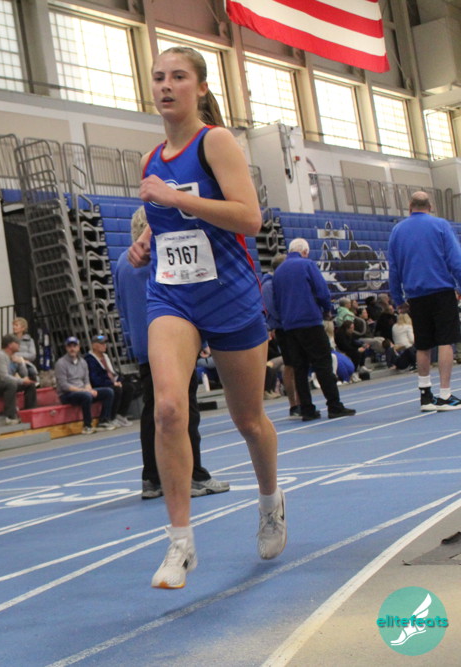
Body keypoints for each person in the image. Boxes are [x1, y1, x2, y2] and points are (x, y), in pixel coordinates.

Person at [127, 47, 284, 589]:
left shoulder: (215, 142)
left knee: (249, 421)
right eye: (158, 77)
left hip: (230, 294)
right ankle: (180, 543)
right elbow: (168, 220)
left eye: (178, 77)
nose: (166, 85)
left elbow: (249, 218)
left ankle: (270, 502)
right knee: (169, 408)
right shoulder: (150, 159)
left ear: (199, 87)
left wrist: (174, 197)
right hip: (172, 296)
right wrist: (147, 240)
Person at [113, 207, 229, 501]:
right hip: (171, 342)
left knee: (153, 412)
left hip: (142, 343)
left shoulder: (122, 263)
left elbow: (122, 305)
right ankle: (194, 475)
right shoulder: (162, 256)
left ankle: (152, 478)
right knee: (184, 409)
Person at [387, 191, 461, 411]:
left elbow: (393, 268)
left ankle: (425, 395)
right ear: (430, 207)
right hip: (441, 291)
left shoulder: (397, 230)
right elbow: (455, 260)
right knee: (446, 341)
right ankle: (445, 395)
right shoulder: (440, 225)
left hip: (416, 296)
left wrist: (398, 299)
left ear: (410, 207)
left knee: (423, 344)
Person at [272, 238, 356, 422]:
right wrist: (327, 309)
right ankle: (334, 405)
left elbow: (276, 299)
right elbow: (321, 290)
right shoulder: (307, 264)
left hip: (289, 325)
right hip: (309, 321)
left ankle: (307, 409)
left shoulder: (278, 272)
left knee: (299, 368)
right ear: (305, 251)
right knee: (323, 363)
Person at [261, 253, 300, 418]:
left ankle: (301, 401)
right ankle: (294, 404)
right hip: (283, 328)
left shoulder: (280, 282)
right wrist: (286, 321)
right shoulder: (269, 285)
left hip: (290, 326)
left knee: (298, 365)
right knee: (290, 366)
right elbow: (272, 308)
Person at [54, 336, 116, 434]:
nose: (72, 349)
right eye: (69, 346)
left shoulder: (83, 362)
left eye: (74, 346)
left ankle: (104, 420)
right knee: (86, 396)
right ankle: (87, 425)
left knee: (108, 392)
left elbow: (86, 381)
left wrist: (90, 390)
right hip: (67, 394)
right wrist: (85, 391)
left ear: (78, 347)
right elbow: (64, 385)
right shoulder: (61, 363)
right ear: (66, 348)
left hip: (83, 391)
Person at [0, 334, 37, 425]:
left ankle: (29, 412)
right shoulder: (0, 356)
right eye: (16, 342)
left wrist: (21, 362)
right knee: (11, 384)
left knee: (30, 385)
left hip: (5, 383)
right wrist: (22, 381)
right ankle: (10, 417)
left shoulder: (14, 356)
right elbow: (4, 377)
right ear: (10, 345)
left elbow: (24, 375)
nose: (19, 344)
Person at [84, 334, 132, 426]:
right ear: (94, 345)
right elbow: (94, 379)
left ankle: (120, 414)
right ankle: (110, 417)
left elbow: (112, 372)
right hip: (99, 385)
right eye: (101, 343)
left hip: (111, 382)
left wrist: (118, 380)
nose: (104, 345)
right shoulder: (89, 360)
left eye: (105, 343)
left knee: (129, 387)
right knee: (116, 389)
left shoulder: (105, 356)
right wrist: (112, 383)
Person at [11, 317, 39, 381]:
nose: (14, 327)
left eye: (16, 325)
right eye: (13, 325)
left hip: (26, 364)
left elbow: (33, 355)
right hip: (13, 364)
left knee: (31, 371)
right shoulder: (10, 339)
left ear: (23, 328)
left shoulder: (29, 340)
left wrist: (20, 357)